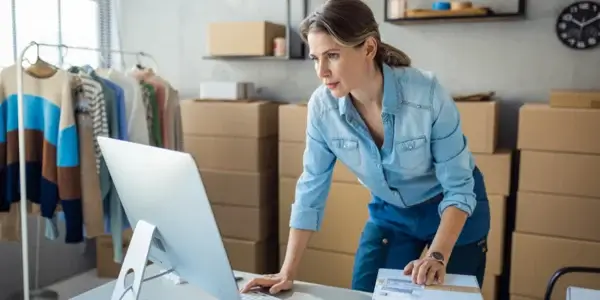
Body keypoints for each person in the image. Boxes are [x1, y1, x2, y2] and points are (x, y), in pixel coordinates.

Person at [241, 0, 490, 295]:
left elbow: (460, 187)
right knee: (364, 293)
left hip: (453, 211)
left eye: (332, 55)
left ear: (369, 48)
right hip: (391, 214)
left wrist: (437, 255)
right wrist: (287, 271)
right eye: (315, 58)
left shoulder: (426, 93)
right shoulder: (322, 108)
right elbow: (311, 187)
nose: (321, 71)